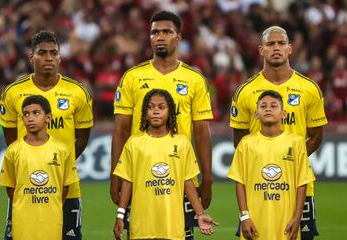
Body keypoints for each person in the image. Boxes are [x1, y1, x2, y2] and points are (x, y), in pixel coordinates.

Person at [111, 10, 213, 239]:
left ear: (178, 37)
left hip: (179, 176)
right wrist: (114, 174)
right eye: (155, 32)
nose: (160, 36)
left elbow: (202, 132)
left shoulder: (194, 79)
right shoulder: (132, 77)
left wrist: (207, 177)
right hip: (140, 177)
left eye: (167, 32)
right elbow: (121, 130)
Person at [230, 26, 327, 240]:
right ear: (261, 50)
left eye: (281, 43)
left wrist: (290, 163)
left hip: (298, 187)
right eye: (270, 44)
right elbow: (239, 139)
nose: (276, 48)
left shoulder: (309, 88)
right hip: (258, 188)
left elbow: (316, 136)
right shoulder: (245, 91)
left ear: (290, 49)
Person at [0, 30, 93, 240]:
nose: (48, 58)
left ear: (60, 57)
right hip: (26, 183)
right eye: (42, 53)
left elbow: (83, 136)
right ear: (31, 57)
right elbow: (10, 140)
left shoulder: (78, 92)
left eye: (53, 53)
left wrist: (60, 166)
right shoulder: (12, 93)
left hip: (66, 185)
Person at [113, 89, 217, 240]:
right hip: (141, 226)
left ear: (170, 112)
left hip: (172, 227)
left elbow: (187, 181)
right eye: (151, 107)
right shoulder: (134, 143)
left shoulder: (182, 143)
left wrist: (200, 214)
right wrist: (120, 215)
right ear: (144, 112)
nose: (155, 111)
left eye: (161, 107)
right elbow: (128, 181)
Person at [228, 90, 315, 240]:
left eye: (274, 106)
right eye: (263, 106)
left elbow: (302, 182)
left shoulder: (296, 142)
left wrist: (297, 217)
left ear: (284, 114)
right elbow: (239, 182)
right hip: (255, 223)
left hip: (286, 224)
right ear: (256, 114)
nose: (268, 108)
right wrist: (244, 217)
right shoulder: (246, 143)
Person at [0, 95, 79, 239]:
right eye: (26, 114)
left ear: (48, 118)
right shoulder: (13, 151)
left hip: (52, 222)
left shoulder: (61, 150)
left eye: (36, 113)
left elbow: (65, 187)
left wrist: (51, 205)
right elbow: (11, 188)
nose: (30, 118)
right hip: (23, 223)